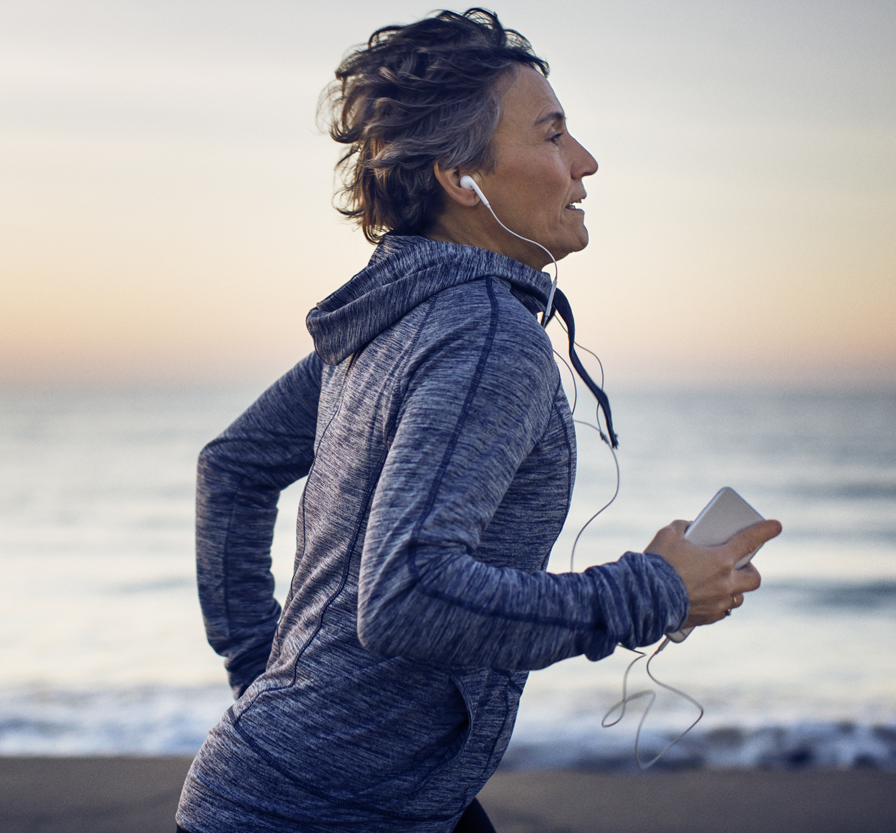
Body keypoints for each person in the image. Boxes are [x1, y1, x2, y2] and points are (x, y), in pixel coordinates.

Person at [175, 9, 780, 833]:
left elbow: (231, 466)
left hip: (344, 790)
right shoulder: (488, 336)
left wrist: (270, 680)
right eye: (554, 134)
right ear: (462, 178)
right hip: (322, 814)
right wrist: (656, 589)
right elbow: (408, 593)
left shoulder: (396, 317)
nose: (586, 162)